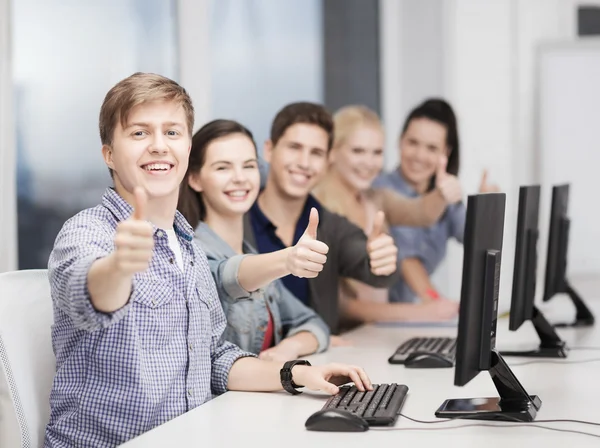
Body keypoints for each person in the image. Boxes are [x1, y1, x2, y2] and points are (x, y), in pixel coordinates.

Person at [46, 73, 371, 447]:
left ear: (186, 147)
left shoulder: (189, 247)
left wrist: (296, 374)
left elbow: (215, 358)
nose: (158, 146)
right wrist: (121, 266)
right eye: (139, 133)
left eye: (172, 132)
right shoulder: (87, 232)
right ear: (109, 154)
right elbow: (92, 294)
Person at [178, 119, 330, 361]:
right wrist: (288, 259)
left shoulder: (256, 257)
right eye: (223, 168)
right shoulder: (188, 252)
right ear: (195, 179)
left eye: (249, 166)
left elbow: (313, 323)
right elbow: (226, 275)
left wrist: (287, 349)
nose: (240, 178)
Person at [244, 101, 400, 336]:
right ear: (269, 149)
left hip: (315, 362)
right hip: (249, 366)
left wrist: (382, 260)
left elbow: (373, 271)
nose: (304, 163)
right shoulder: (238, 220)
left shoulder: (332, 226)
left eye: (316, 153)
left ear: (328, 161)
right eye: (294, 147)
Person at [313, 105, 461, 323]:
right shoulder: (319, 206)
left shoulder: (375, 197)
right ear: (333, 152)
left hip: (373, 332)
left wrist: (442, 192)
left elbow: (420, 213)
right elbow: (340, 304)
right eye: (358, 151)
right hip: (344, 337)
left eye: (377, 153)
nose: (369, 163)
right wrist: (422, 312)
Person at [373, 98, 499, 303]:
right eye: (413, 143)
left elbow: (476, 241)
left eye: (431, 148)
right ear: (400, 141)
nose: (419, 155)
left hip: (414, 314)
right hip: (381, 317)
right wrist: (437, 303)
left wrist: (486, 206)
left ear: (445, 153)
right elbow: (407, 259)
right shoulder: (380, 190)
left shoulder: (445, 195)